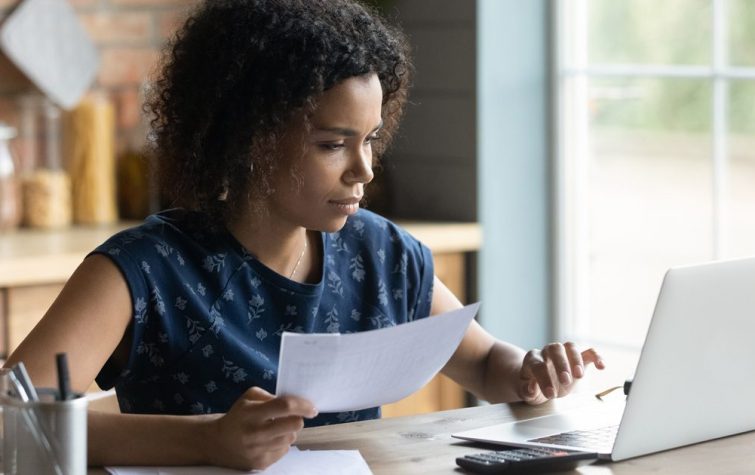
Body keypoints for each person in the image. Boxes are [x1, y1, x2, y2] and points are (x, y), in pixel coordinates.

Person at [5, 0, 604, 470]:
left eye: (369, 140)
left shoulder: (382, 254)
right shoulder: (145, 269)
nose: (364, 169)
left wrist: (532, 369)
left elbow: (487, 364)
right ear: (251, 138)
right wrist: (210, 441)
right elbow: (14, 421)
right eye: (332, 144)